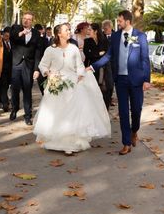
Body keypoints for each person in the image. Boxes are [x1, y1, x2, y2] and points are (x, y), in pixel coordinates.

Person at [33, 23, 111, 154]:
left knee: (72, 114)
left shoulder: (74, 48)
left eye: (69, 30)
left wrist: (81, 74)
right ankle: (56, 141)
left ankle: (70, 143)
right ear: (59, 34)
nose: (69, 32)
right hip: (56, 83)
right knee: (57, 113)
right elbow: (42, 65)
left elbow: (79, 65)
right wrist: (48, 74)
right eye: (66, 30)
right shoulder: (50, 50)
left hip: (72, 83)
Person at [90, 10, 150, 155]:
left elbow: (145, 59)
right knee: (123, 112)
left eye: (120, 21)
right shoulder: (116, 36)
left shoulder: (140, 36)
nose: (118, 23)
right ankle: (126, 143)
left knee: (136, 110)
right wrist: (93, 66)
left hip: (136, 80)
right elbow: (109, 55)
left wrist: (147, 79)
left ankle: (134, 130)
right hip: (121, 79)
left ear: (127, 21)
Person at [9, 12, 42, 125]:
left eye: (29, 19)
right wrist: (22, 33)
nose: (26, 21)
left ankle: (28, 115)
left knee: (27, 90)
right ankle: (14, 108)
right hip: (16, 63)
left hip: (28, 65)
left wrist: (37, 69)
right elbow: (12, 37)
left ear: (32, 21)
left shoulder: (36, 33)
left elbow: (38, 51)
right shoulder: (15, 28)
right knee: (15, 89)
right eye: (24, 18)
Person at [83, 22, 113, 109]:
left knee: (107, 89)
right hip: (91, 68)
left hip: (105, 68)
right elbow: (87, 54)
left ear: (95, 31)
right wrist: (99, 53)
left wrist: (95, 54)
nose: (88, 31)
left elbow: (107, 54)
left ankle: (105, 109)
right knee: (94, 90)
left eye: (90, 29)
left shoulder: (104, 40)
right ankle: (95, 109)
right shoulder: (87, 41)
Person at [0, 27, 12, 112]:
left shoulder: (12, 43)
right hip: (1, 69)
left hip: (10, 70)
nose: (7, 37)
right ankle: (5, 105)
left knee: (4, 87)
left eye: (8, 36)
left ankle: (0, 102)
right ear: (3, 34)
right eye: (6, 35)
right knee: (3, 87)